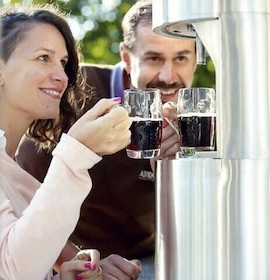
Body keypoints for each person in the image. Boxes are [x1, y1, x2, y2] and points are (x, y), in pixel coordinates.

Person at [16, 0, 198, 279]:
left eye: (182, 58)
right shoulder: (70, 92)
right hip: (78, 260)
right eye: (154, 58)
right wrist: (87, 265)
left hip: (155, 258)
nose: (168, 77)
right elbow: (22, 199)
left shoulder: (198, 120)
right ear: (127, 58)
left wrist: (178, 169)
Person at [0, 4, 140, 279]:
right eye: (42, 58)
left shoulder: (7, 163)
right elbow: (16, 269)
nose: (61, 76)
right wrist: (77, 153)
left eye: (62, 62)